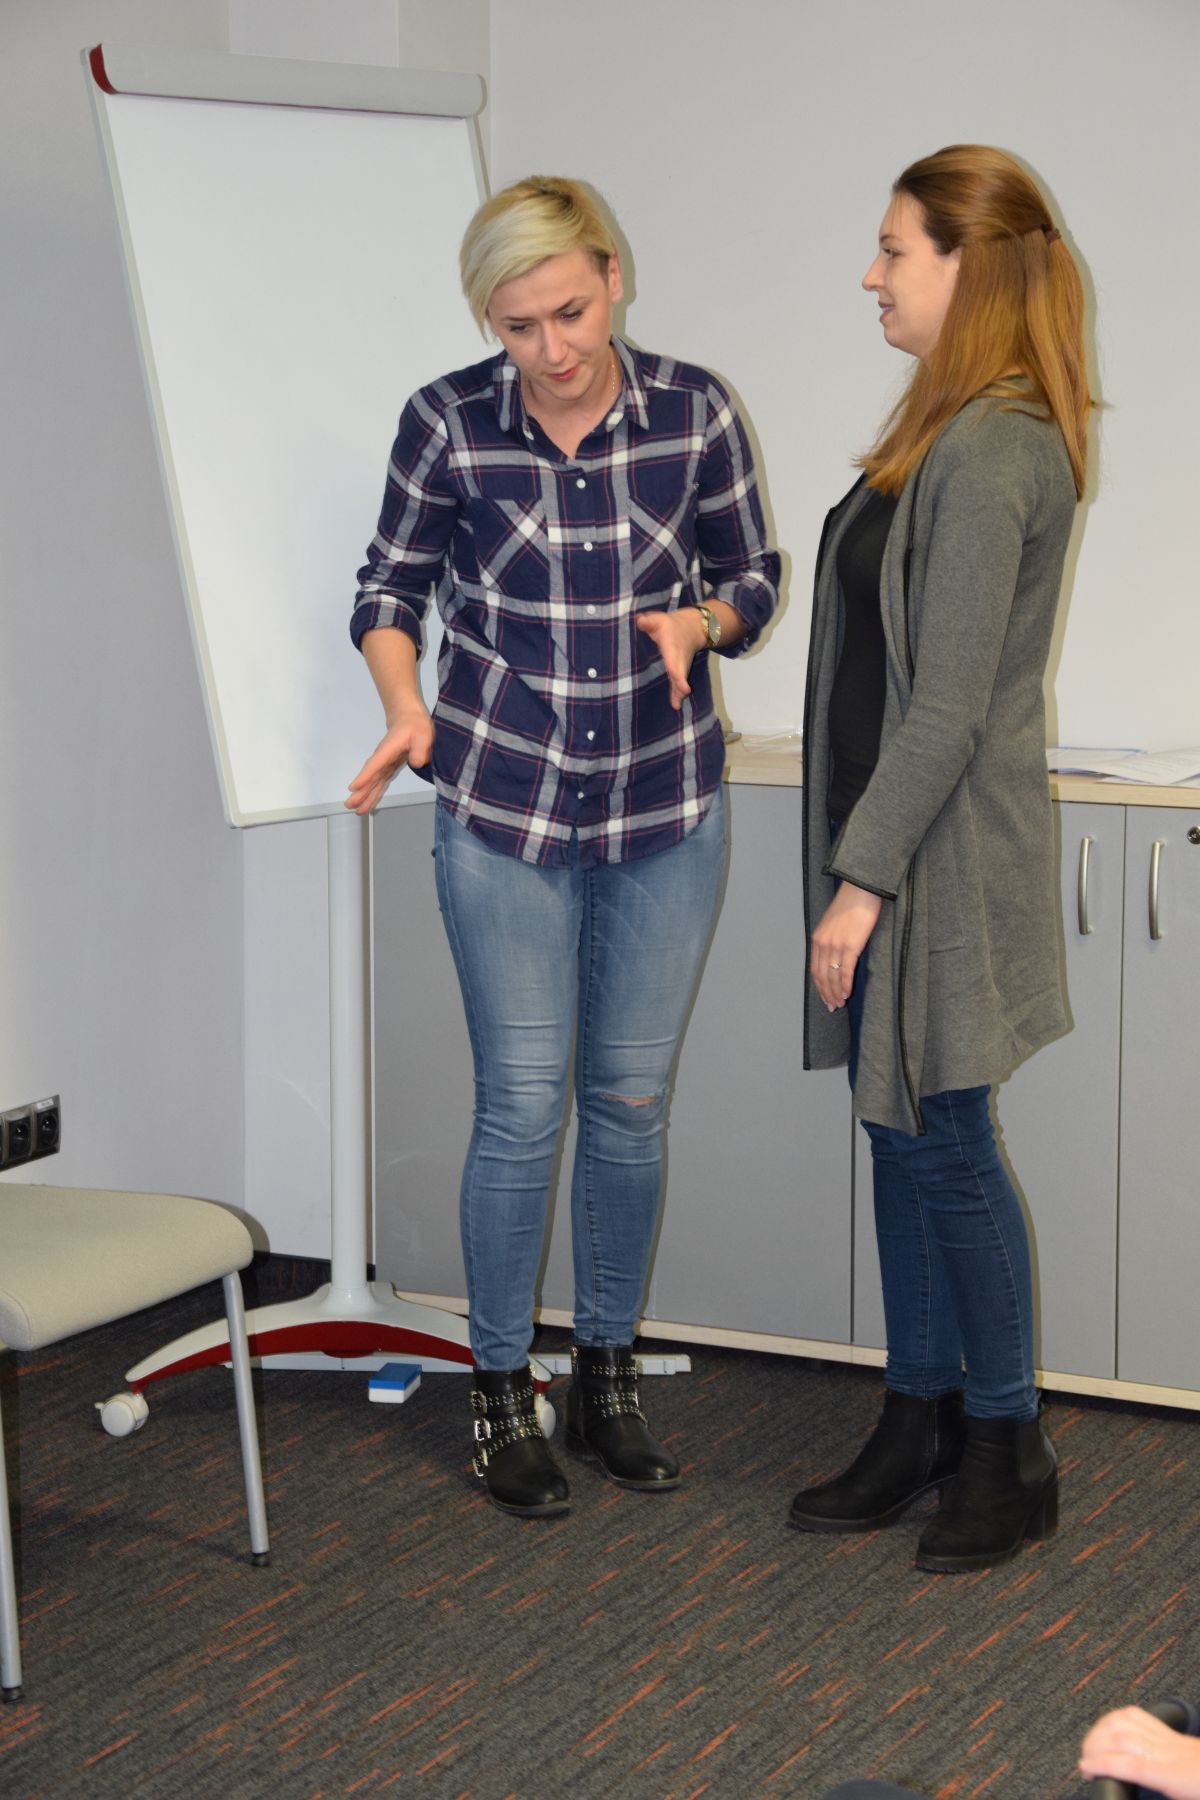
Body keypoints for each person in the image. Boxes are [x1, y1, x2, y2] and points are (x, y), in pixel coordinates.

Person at [346, 176, 779, 1519]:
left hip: (663, 806)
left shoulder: (695, 410)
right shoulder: (447, 421)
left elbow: (753, 578)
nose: (554, 348)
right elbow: (387, 587)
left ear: (612, 275)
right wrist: (405, 705)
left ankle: (605, 1376)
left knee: (631, 1105)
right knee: (524, 1106)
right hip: (504, 804)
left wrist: (701, 626)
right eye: (519, 324)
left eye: (572, 312)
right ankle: (497, 1387)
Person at [792, 144, 1092, 1570]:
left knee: (949, 1141)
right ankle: (917, 1416)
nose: (872, 274)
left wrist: (861, 886)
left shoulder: (997, 446)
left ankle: (1008, 1443)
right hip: (889, 839)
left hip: (936, 859)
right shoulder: (943, 427)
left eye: (895, 249)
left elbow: (951, 704)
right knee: (898, 1133)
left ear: (967, 266)